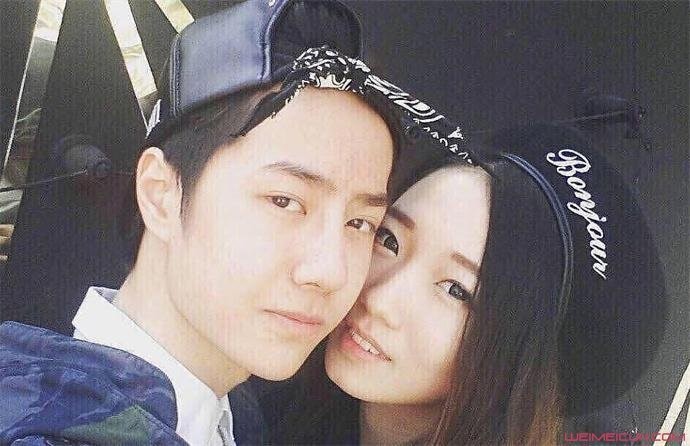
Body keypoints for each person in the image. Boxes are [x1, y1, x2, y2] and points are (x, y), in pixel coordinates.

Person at [0, 1, 409, 444]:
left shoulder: (234, 415)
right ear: (161, 193)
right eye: (284, 201)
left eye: (360, 223)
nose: (330, 272)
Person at [256, 124, 665, 445]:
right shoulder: (249, 403)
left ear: (519, 364)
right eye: (389, 240)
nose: (380, 298)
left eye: (456, 290)